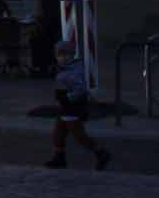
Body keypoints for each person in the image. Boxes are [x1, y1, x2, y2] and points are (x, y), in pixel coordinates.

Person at [47, 41, 111, 170]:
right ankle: (59, 157)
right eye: (60, 55)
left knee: (79, 136)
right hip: (64, 107)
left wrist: (67, 98)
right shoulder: (63, 69)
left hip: (72, 108)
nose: (64, 58)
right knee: (58, 133)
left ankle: (101, 152)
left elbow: (80, 89)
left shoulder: (74, 70)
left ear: (72, 56)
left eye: (67, 55)